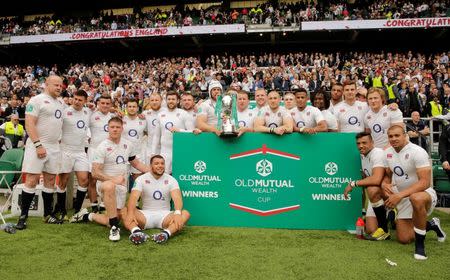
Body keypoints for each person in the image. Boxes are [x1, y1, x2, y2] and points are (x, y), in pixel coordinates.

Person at [77, 117, 150, 241]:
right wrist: (112, 179)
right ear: (108, 128)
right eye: (112, 127)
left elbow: (136, 164)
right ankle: (115, 229)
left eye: (117, 127)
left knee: (114, 217)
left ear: (122, 129)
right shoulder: (102, 147)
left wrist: (153, 171)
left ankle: (88, 216)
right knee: (109, 186)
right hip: (105, 185)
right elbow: (95, 173)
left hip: (121, 186)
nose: (115, 129)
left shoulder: (128, 145)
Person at [382, 125, 446, 260]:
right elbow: (387, 175)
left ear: (405, 135)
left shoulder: (417, 151)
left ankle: (420, 247)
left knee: (416, 198)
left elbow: (425, 183)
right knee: (404, 238)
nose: (393, 139)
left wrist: (399, 195)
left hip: (424, 193)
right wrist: (385, 184)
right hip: (404, 196)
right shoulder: (387, 153)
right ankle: (432, 225)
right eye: (390, 136)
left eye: (397, 135)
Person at [16, 75, 65, 229]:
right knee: (31, 180)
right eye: (56, 85)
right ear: (47, 84)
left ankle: (48, 215)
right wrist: (38, 145)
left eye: (61, 85)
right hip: (38, 145)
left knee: (50, 181)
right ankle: (23, 217)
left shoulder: (61, 103)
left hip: (54, 147)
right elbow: (29, 124)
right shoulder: (36, 100)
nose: (59, 88)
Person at [124, 155, 191, 245]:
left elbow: (177, 198)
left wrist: (178, 212)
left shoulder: (171, 179)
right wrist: (131, 213)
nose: (160, 166)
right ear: (151, 165)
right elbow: (134, 197)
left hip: (165, 216)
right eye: (156, 163)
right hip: (145, 215)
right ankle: (137, 232)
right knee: (124, 211)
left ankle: (165, 234)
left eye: (162, 163)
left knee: (185, 213)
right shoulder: (141, 179)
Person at [343, 132, 389, 240]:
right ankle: (387, 215)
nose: (360, 146)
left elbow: (377, 179)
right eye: (358, 143)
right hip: (379, 195)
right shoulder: (363, 155)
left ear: (372, 142)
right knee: (370, 230)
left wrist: (353, 184)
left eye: (364, 143)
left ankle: (385, 228)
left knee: (372, 189)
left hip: (391, 192)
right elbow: (367, 178)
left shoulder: (377, 153)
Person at [54, 90, 90, 221]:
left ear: (85, 101)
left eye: (80, 100)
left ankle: (77, 210)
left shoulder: (88, 112)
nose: (77, 101)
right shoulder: (64, 111)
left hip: (80, 151)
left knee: (84, 180)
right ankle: (62, 210)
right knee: (63, 181)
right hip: (66, 150)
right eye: (75, 98)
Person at [152, 91, 199, 174]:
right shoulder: (160, 115)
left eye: (173, 99)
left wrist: (179, 131)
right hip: (164, 152)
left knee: (180, 177)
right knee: (164, 178)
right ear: (165, 100)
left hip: (180, 152)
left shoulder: (184, 114)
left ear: (178, 101)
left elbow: (192, 133)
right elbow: (156, 136)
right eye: (169, 99)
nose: (171, 101)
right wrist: (153, 153)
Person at [88, 95, 115, 212]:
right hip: (94, 150)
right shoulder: (91, 115)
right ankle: (94, 205)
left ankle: (104, 204)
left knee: (107, 179)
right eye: (102, 103)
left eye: (107, 103)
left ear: (111, 104)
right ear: (98, 103)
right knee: (92, 178)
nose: (105, 105)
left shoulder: (113, 117)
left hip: (109, 152)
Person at [121, 99, 147, 177]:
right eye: (129, 106)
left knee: (138, 180)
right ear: (126, 108)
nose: (132, 108)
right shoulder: (121, 119)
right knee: (123, 182)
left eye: (134, 106)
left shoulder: (143, 120)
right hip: (123, 154)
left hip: (137, 155)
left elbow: (148, 133)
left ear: (137, 108)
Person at [143, 93, 165, 164]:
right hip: (150, 148)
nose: (154, 102)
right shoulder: (145, 114)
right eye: (152, 100)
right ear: (149, 101)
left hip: (164, 148)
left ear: (161, 101)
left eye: (156, 100)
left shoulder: (166, 112)